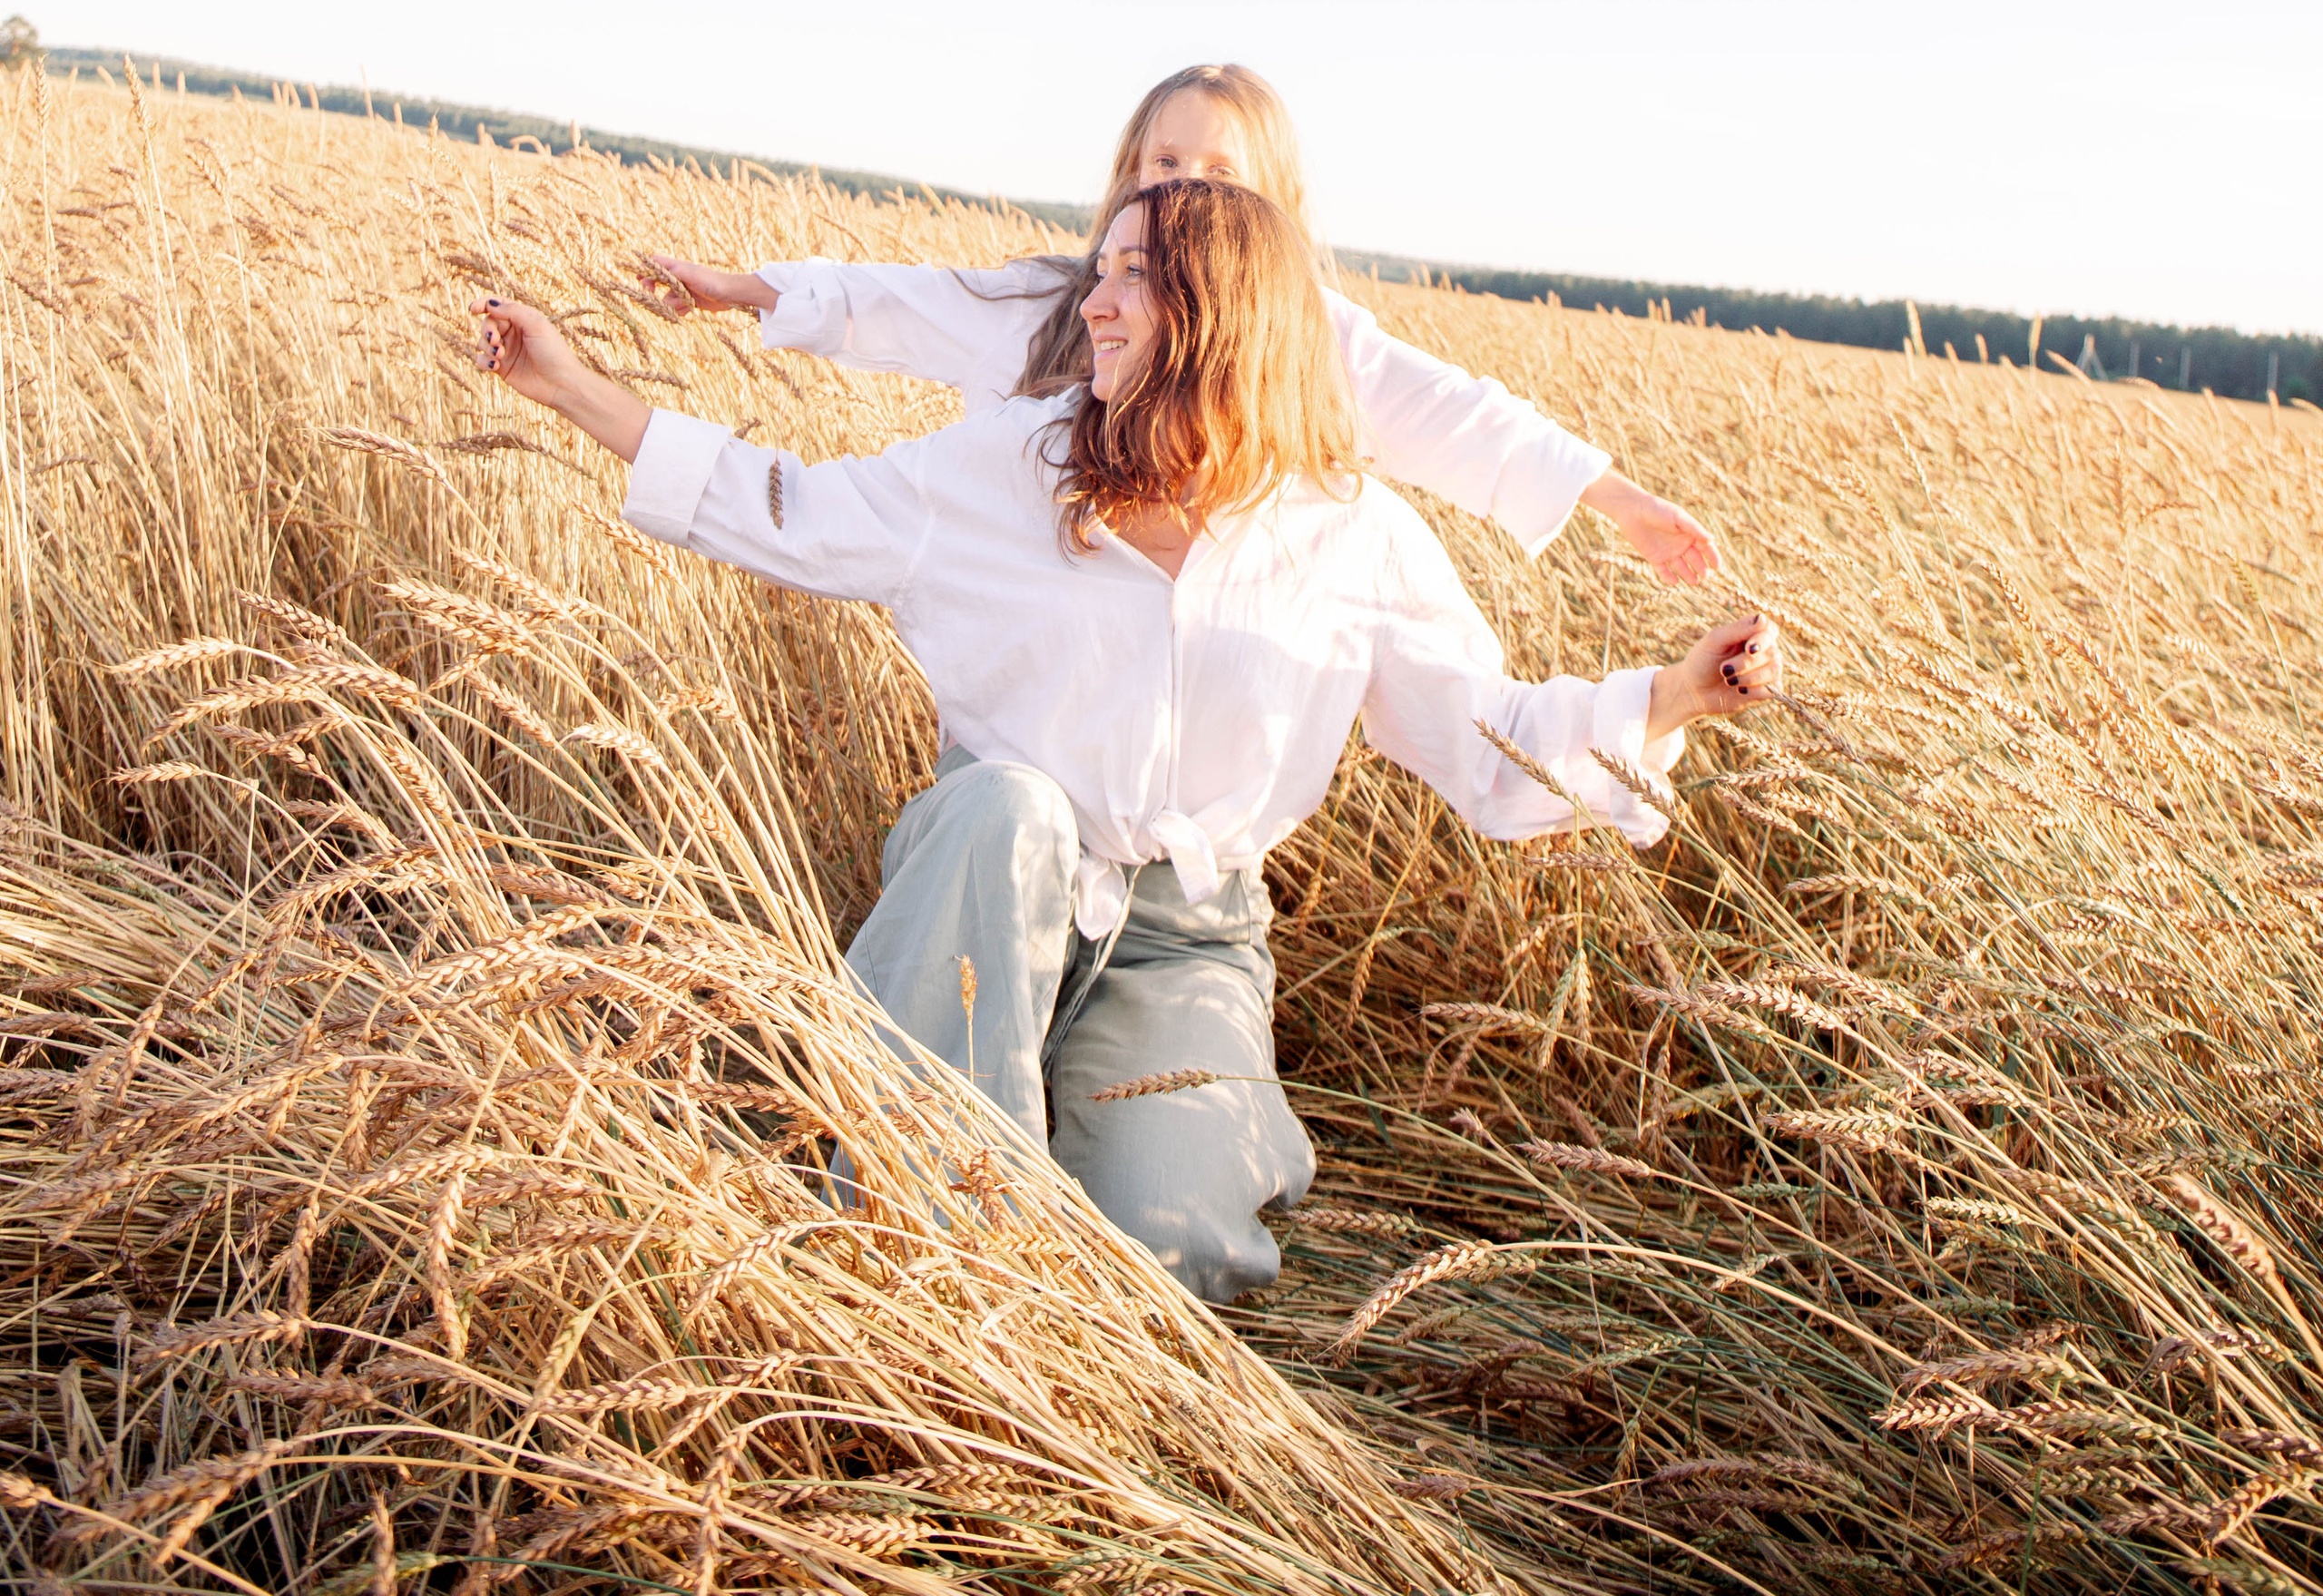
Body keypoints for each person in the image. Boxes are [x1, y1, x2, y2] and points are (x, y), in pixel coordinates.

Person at [475, 176, 1779, 1304]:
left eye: (1134, 282)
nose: (1093, 306)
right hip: (993, 882)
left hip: (1185, 934)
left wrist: (1671, 696)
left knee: (1174, 1257)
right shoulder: (1010, 463)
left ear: (1228, 318)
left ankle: (1109, 1113)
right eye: (1097, 275)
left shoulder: (1350, 534)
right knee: (1009, 810)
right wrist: (573, 388)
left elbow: (1491, 745)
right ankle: (922, 1230)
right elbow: (793, 509)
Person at [643, 59, 1720, 585]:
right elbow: (900, 302)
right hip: (1028, 682)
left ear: (1275, 206)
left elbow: (1448, 415)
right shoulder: (1060, 304)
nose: (1184, 187)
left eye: (1218, 172)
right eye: (1163, 164)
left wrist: (1610, 497)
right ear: (1127, 175)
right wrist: (746, 288)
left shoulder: (1313, 338)